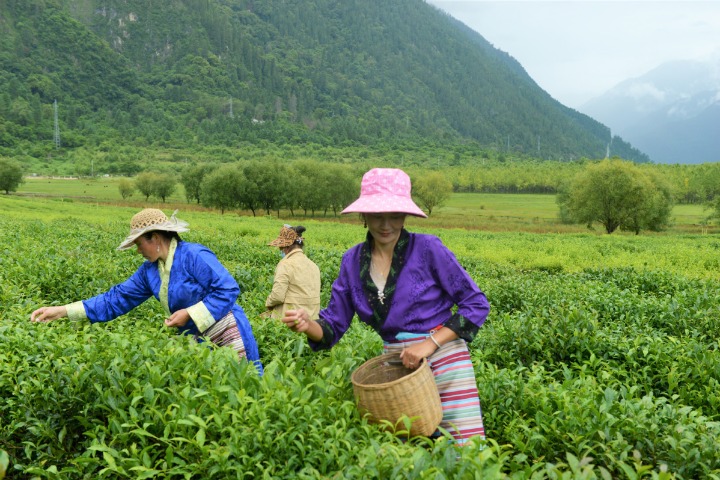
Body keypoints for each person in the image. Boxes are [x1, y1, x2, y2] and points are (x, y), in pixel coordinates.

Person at [281, 168, 490, 445]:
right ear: (364, 215)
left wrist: (429, 344)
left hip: (445, 364)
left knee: (465, 455)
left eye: (394, 215)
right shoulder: (353, 261)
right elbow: (332, 327)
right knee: (410, 457)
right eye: (377, 216)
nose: (386, 224)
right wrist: (308, 325)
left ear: (406, 215)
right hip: (397, 374)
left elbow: (475, 304)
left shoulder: (428, 249)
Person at [30, 208, 263, 374]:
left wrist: (190, 314)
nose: (138, 250)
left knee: (246, 385)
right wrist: (62, 311)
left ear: (156, 237)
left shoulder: (194, 255)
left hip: (227, 332)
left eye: (139, 243)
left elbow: (228, 289)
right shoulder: (149, 271)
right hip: (197, 340)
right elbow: (115, 299)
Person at [265, 224, 321, 320]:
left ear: (286, 247)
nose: (281, 251)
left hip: (290, 320)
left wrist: (268, 302)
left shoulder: (285, 264)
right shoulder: (314, 266)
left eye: (281, 248)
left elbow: (277, 296)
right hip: (312, 321)